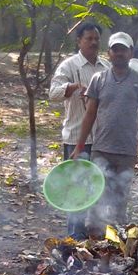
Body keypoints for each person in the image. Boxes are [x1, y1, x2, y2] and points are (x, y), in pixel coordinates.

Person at [71, 32, 138, 236]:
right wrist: (79, 146)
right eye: (115, 49)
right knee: (96, 198)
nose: (119, 53)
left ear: (130, 52)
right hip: (101, 149)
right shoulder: (98, 79)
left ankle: (117, 247)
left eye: (123, 49)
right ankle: (93, 245)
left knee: (120, 201)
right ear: (108, 53)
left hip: (127, 151)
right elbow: (90, 115)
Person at [48, 21, 108, 239]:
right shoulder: (69, 66)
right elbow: (53, 93)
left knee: (99, 188)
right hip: (76, 137)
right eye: (88, 39)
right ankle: (74, 238)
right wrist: (74, 87)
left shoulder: (106, 67)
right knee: (77, 189)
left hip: (101, 138)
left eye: (96, 39)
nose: (93, 42)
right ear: (79, 41)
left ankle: (96, 238)